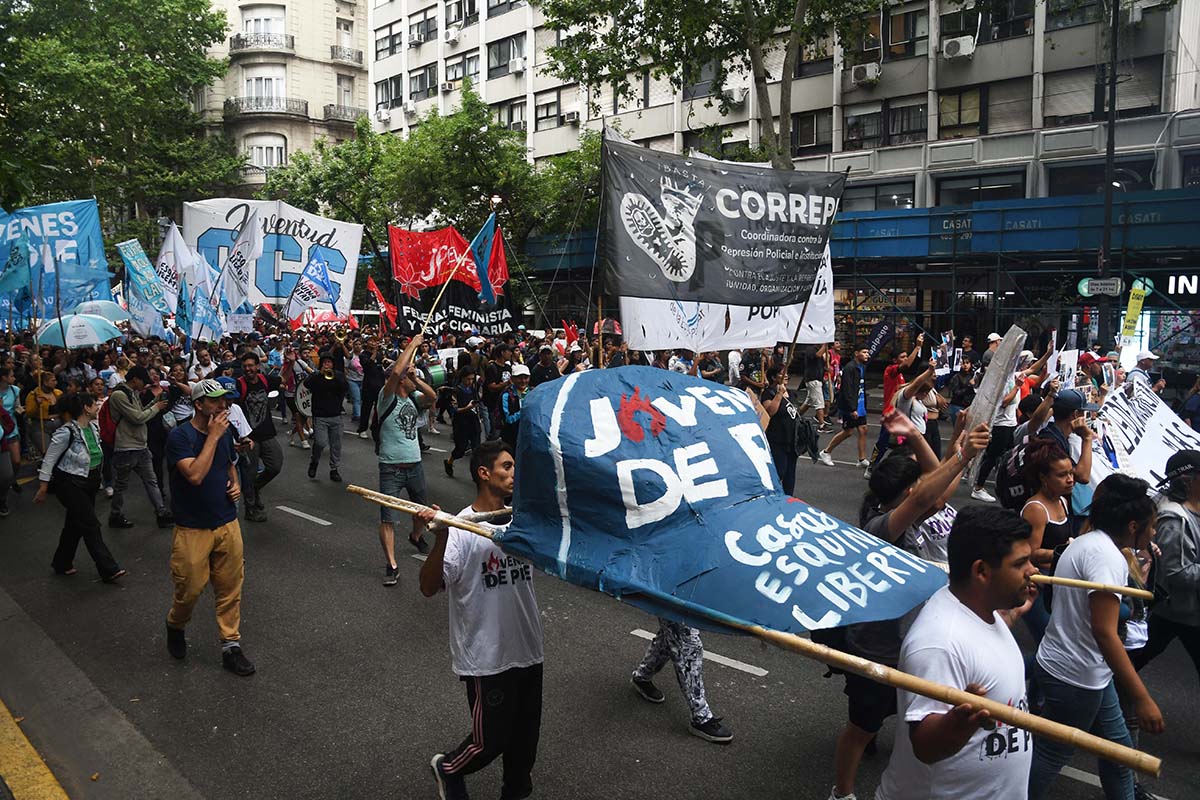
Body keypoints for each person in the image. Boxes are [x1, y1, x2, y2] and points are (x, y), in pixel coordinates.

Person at [828, 413, 990, 800]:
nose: (937, 496)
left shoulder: (926, 515)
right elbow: (925, 495)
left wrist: (917, 435)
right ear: (905, 494)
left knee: (914, 718)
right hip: (878, 649)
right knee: (861, 729)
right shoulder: (883, 528)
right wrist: (961, 454)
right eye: (920, 487)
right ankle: (842, 793)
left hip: (913, 644)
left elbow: (934, 489)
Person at [875, 505, 1037, 800]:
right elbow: (924, 745)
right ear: (982, 571)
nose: (1033, 571)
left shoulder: (984, 613)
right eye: (1021, 563)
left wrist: (1010, 618)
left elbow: (981, 645)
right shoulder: (939, 643)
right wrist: (960, 722)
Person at [418, 441, 543, 800]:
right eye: (506, 468)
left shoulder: (521, 523)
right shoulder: (459, 528)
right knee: (490, 741)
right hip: (487, 658)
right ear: (484, 473)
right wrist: (441, 535)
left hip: (529, 649)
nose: (513, 474)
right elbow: (429, 587)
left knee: (523, 749)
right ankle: (448, 768)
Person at [1028, 474, 1164, 800]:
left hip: (1086, 672)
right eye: (1151, 525)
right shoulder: (1107, 558)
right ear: (1133, 526)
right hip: (1076, 677)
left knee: (1119, 754)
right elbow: (1104, 632)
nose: (1154, 532)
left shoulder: (1089, 542)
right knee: (1051, 755)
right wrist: (1142, 697)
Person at [163, 378, 254, 677]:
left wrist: (235, 483)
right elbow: (195, 475)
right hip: (192, 528)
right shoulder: (180, 437)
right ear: (199, 404)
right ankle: (175, 624)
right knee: (189, 589)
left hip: (226, 522)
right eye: (215, 401)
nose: (223, 406)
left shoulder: (224, 434)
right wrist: (213, 436)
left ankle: (231, 646)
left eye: (225, 400)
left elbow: (229, 463)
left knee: (230, 589)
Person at [34, 393, 126, 583]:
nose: (96, 407)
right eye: (94, 405)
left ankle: (62, 562)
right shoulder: (66, 432)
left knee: (75, 524)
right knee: (90, 524)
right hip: (71, 484)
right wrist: (43, 486)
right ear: (85, 408)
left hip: (90, 482)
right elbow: (49, 459)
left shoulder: (93, 427)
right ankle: (108, 569)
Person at [1134, 450, 1200, 682]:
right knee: (1140, 654)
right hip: (1183, 611)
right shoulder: (1174, 521)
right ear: (1191, 481)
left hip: (1182, 610)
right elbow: (1178, 573)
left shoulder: (1194, 507)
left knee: (1142, 653)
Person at [377, 335, 436, 586]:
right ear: (399, 379)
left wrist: (415, 378)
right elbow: (395, 373)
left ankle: (415, 536)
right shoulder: (387, 396)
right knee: (388, 517)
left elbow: (432, 397)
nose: (412, 380)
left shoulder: (412, 398)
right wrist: (412, 344)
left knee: (422, 513)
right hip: (391, 467)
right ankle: (392, 564)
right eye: (408, 377)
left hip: (415, 465)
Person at [1020, 439, 1076, 645]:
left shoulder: (1062, 500)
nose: (1070, 479)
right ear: (1044, 478)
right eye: (1062, 475)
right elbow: (1030, 552)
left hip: (1056, 580)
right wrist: (1066, 552)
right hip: (1036, 584)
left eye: (1071, 473)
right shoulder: (1036, 508)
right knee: (1049, 644)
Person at [107, 366, 173, 529]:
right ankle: (115, 514)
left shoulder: (133, 393)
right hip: (126, 446)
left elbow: (141, 412)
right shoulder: (119, 395)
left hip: (140, 445)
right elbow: (137, 418)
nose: (145, 385)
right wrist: (156, 407)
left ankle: (161, 513)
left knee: (151, 481)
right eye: (144, 381)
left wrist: (154, 402)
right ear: (135, 379)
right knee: (121, 484)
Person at [235, 353, 283, 522]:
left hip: (267, 433)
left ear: (257, 366)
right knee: (250, 473)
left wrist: (290, 362)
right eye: (245, 366)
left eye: (251, 365)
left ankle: (255, 488)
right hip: (249, 438)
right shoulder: (239, 385)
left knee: (275, 465)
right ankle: (251, 508)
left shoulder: (264, 380)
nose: (248, 369)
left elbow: (283, 379)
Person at [819, 346, 870, 468]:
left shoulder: (861, 367)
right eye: (864, 352)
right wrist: (852, 408)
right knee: (848, 432)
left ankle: (862, 459)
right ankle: (826, 452)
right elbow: (846, 390)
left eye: (868, 352)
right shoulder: (850, 368)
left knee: (863, 429)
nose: (867, 354)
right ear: (856, 353)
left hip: (860, 404)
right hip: (851, 405)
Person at [304, 354, 348, 482]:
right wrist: (319, 374)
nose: (327, 364)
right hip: (320, 415)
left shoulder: (338, 375)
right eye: (325, 362)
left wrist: (334, 376)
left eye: (329, 362)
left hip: (336, 415)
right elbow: (306, 384)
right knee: (320, 442)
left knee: (336, 445)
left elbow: (345, 387)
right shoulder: (316, 376)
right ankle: (314, 461)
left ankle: (334, 469)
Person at [761, 365, 800, 496]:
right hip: (777, 440)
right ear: (773, 377)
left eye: (787, 373)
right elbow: (770, 412)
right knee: (779, 472)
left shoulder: (792, 393)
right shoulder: (769, 393)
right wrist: (779, 394)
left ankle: (788, 500)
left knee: (790, 475)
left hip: (792, 440)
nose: (786, 375)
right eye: (782, 373)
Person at [444, 368, 482, 479]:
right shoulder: (456, 391)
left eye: (472, 379)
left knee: (476, 447)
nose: (470, 382)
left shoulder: (473, 390)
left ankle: (477, 473)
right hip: (461, 423)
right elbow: (454, 410)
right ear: (462, 378)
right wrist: (467, 407)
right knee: (460, 448)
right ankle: (449, 461)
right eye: (468, 379)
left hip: (473, 421)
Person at [796, 344, 828, 430]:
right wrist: (824, 347)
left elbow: (818, 364)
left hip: (817, 378)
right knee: (819, 402)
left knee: (809, 401)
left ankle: (796, 415)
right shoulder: (810, 350)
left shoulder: (820, 351)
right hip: (812, 379)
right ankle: (821, 424)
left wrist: (825, 370)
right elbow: (816, 356)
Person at [499, 364, 530, 448]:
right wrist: (523, 411)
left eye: (525, 377)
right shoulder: (506, 395)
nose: (523, 381)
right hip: (511, 437)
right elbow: (508, 419)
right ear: (512, 379)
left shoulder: (532, 392)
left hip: (529, 436)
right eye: (520, 378)